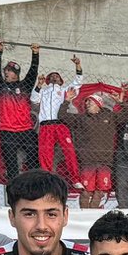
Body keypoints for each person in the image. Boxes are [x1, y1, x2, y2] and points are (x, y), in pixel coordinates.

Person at [0, 42, 40, 189]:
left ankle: (34, 188)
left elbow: (33, 72)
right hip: (7, 131)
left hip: (26, 130)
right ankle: (14, 192)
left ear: (16, 74)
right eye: (5, 70)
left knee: (34, 161)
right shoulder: (1, 87)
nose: (6, 73)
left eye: (9, 71)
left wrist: (35, 54)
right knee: (11, 165)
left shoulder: (25, 86)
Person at [63, 85, 118, 208]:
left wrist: (120, 102)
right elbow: (63, 116)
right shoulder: (81, 118)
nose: (87, 104)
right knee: (85, 192)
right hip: (87, 161)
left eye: (90, 102)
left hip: (105, 161)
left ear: (99, 104)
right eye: (86, 102)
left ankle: (93, 215)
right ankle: (85, 214)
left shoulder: (110, 117)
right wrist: (67, 101)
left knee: (100, 192)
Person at [33, 54, 83, 182]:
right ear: (47, 80)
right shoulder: (43, 91)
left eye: (57, 76)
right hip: (45, 125)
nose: (54, 77)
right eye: (51, 76)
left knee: (69, 151)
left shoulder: (65, 90)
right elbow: (34, 99)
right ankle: (46, 179)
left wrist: (78, 65)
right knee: (45, 154)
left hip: (61, 124)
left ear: (61, 81)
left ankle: (75, 179)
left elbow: (78, 82)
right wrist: (39, 85)